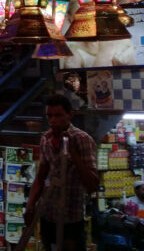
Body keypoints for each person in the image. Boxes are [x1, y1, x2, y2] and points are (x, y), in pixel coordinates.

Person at [24, 94, 98, 251]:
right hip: (48, 213)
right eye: (49, 116)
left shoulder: (82, 139)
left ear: (69, 115)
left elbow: (92, 184)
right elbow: (41, 175)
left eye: (58, 115)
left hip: (71, 216)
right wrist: (30, 205)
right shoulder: (46, 138)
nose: (52, 120)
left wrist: (73, 153)